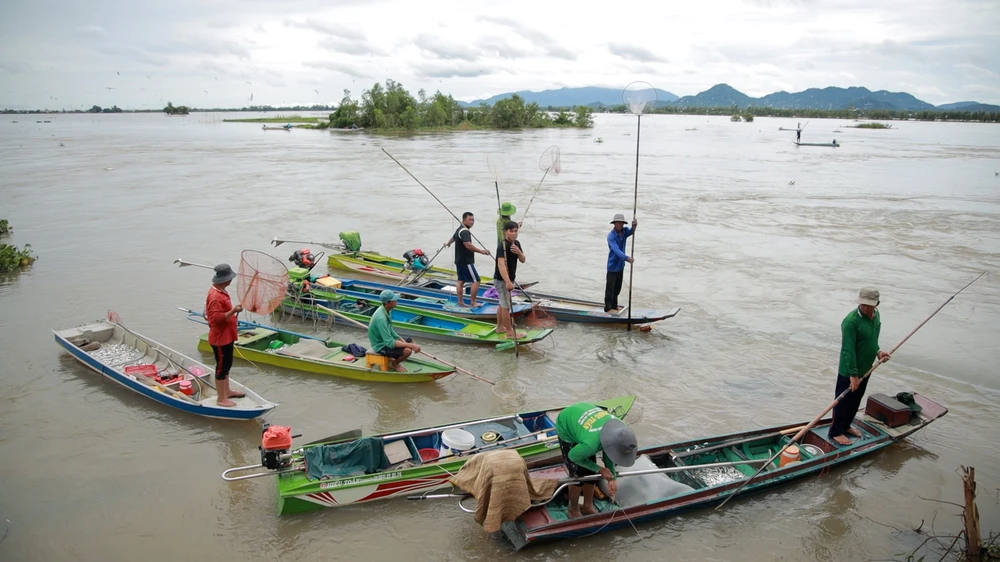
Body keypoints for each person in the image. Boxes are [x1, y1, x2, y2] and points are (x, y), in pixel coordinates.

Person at [829, 288, 892, 445]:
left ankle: (846, 425)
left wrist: (878, 352)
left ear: (876, 304)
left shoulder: (876, 317)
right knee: (842, 401)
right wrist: (853, 375)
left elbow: (870, 338)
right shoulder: (851, 322)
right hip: (849, 370)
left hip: (866, 368)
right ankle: (836, 431)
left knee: (856, 400)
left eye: (869, 305)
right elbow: (848, 349)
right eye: (862, 304)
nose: (865, 308)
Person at [555, 402, 638, 518]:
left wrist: (612, 478)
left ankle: (587, 506)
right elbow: (572, 456)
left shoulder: (620, 427)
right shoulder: (591, 444)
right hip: (566, 424)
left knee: (591, 471)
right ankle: (573, 509)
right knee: (577, 474)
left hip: (585, 423)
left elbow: (609, 453)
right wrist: (599, 469)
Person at [205, 263, 245, 407]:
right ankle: (221, 398)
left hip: (227, 335)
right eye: (230, 278)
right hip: (220, 338)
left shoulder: (221, 291)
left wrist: (234, 312)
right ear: (224, 279)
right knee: (221, 367)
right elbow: (216, 319)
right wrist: (233, 311)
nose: (231, 280)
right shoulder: (216, 296)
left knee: (227, 365)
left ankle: (226, 391)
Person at [367, 289, 421, 372]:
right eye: (394, 300)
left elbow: (390, 330)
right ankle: (395, 363)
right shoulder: (381, 318)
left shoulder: (387, 310)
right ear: (388, 303)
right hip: (380, 345)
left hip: (386, 340)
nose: (396, 301)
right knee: (407, 351)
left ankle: (395, 357)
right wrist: (410, 346)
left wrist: (403, 341)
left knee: (410, 340)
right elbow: (389, 342)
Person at [444, 212, 490, 308]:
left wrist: (448, 243)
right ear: (464, 220)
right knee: (476, 280)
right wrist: (481, 251)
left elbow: (454, 237)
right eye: (470, 220)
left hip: (459, 260)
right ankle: (473, 302)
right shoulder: (464, 231)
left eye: (473, 220)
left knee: (461, 281)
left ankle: (460, 302)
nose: (472, 222)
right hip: (466, 261)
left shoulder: (459, 229)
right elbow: (468, 245)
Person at [494, 220, 526, 339]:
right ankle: (510, 332)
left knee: (502, 304)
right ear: (505, 232)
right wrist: (507, 281)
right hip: (502, 280)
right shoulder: (502, 246)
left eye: (515, 231)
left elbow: (523, 260)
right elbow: (501, 265)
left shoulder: (516, 243)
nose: (514, 233)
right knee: (506, 306)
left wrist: (518, 252)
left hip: (510, 279)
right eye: (511, 231)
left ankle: (500, 327)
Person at [605, 213, 637, 312]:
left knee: (618, 287)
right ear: (614, 224)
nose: (619, 225)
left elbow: (631, 231)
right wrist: (627, 258)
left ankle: (614, 305)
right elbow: (616, 250)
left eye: (621, 223)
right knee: (610, 288)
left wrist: (634, 226)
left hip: (620, 265)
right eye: (617, 223)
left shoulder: (624, 232)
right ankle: (608, 307)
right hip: (613, 265)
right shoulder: (611, 236)